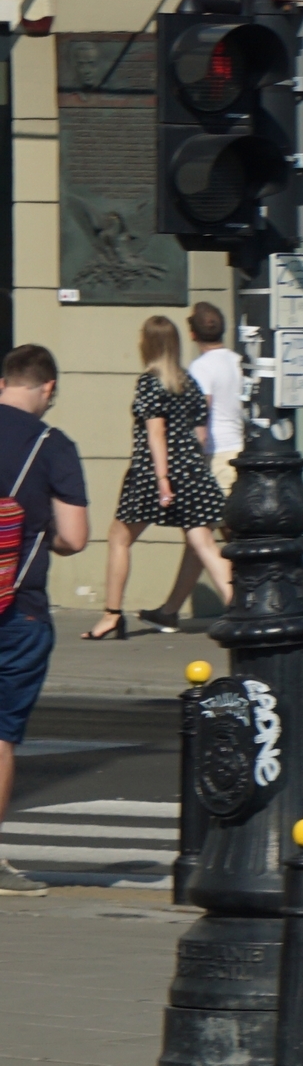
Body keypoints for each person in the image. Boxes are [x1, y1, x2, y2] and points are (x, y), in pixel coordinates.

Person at [0, 346, 91, 896]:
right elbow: (75, 538)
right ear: (48, 389)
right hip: (18, 607)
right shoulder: (53, 446)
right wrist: (38, 536)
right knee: (0, 735)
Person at [88, 316, 231, 640]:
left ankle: (112, 615)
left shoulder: (150, 381)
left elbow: (155, 434)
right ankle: (238, 608)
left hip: (152, 474)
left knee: (119, 538)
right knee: (202, 542)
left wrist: (163, 480)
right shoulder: (188, 382)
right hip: (193, 469)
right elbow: (200, 434)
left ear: (148, 344)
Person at [186, 302, 245, 498]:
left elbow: (201, 415)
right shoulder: (239, 361)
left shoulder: (200, 368)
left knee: (224, 521)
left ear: (192, 334)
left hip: (217, 452)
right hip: (242, 449)